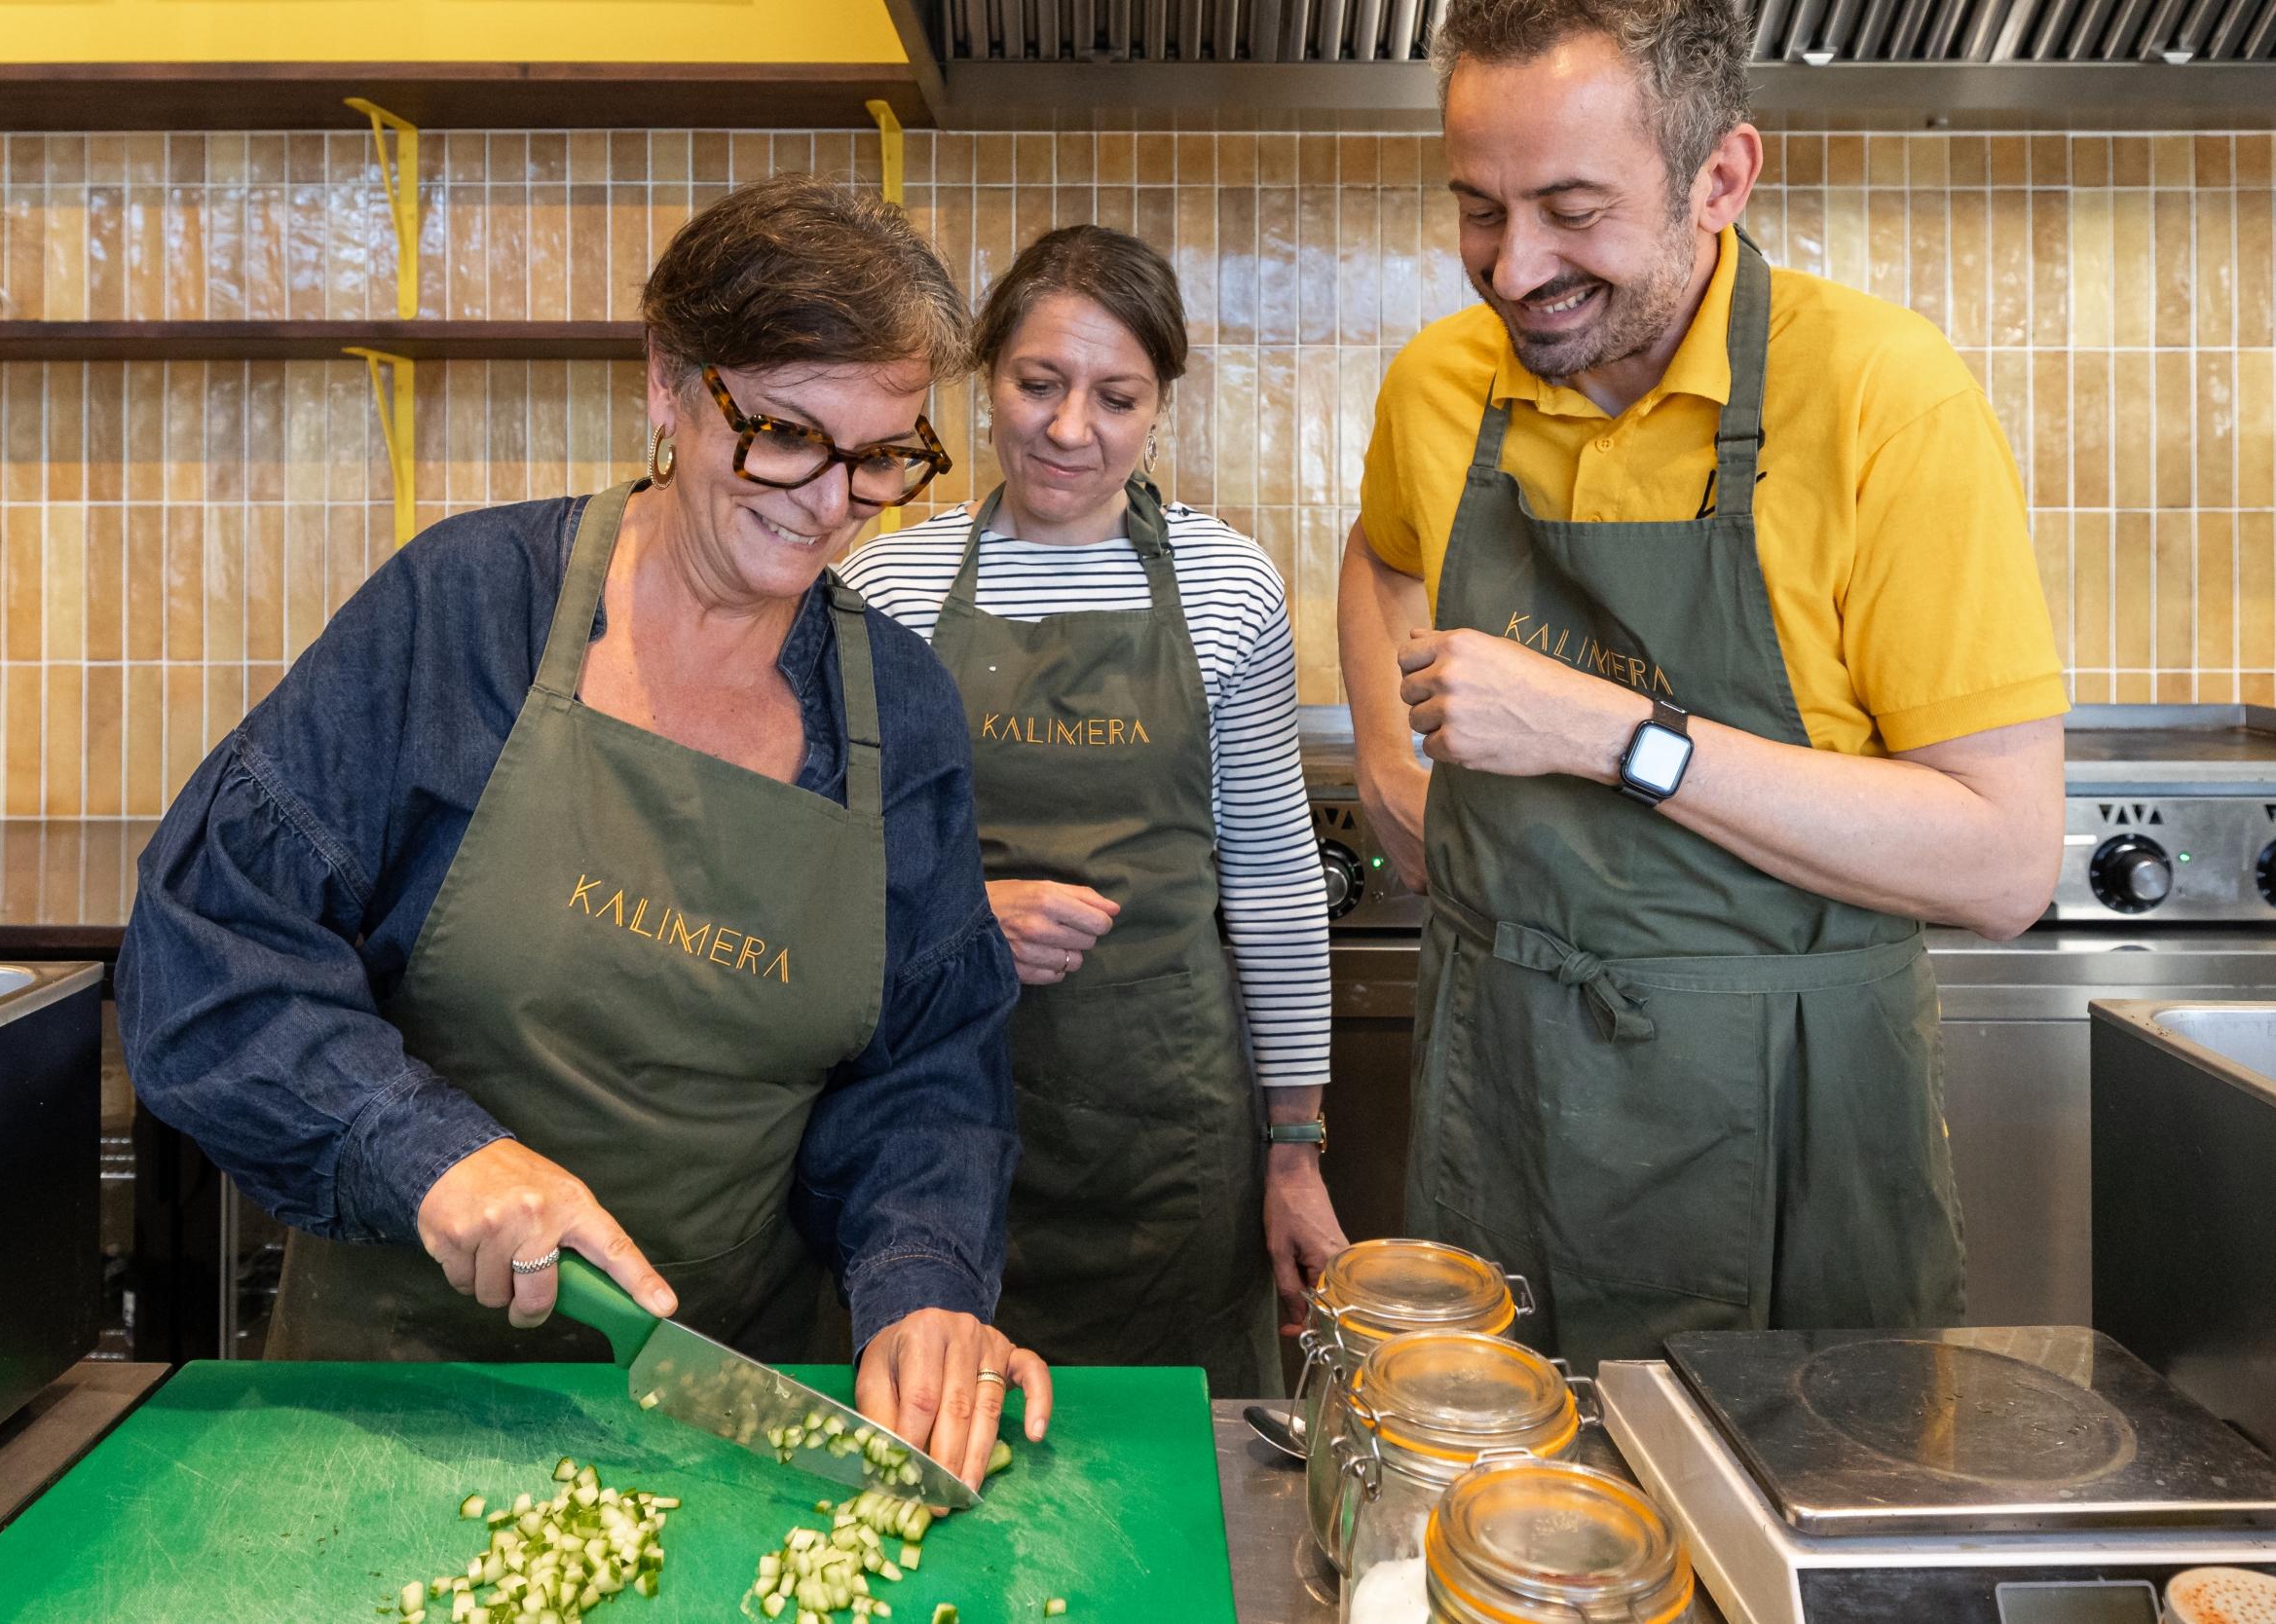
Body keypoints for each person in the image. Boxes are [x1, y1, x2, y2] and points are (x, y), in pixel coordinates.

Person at [117, 174, 1050, 1485]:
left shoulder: (900, 709)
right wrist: (427, 1153)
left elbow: (926, 1074)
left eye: (885, 454)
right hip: (390, 1416)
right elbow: (204, 952)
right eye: (786, 433)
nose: (832, 501)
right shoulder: (460, 618)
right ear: (667, 383)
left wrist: (922, 1281)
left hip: (722, 1427)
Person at [1338, 0, 2069, 1366]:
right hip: (1503, 1096)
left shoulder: (1881, 398)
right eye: (1479, 210)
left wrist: (1610, 732)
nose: (1513, 271)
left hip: (1795, 1124)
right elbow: (1379, 555)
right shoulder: (1440, 385)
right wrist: (1386, 753)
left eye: (1571, 209)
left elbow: (2005, 862)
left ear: (1721, 179)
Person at [841, 226, 1345, 1397]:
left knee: (1182, 1450)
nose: (1071, 431)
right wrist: (962, 915)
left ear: (1159, 403)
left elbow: (1273, 881)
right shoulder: (889, 585)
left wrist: (1296, 1146)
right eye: (1037, 384)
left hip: (1165, 1125)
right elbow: (835, 871)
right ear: (984, 383)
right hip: (937, 1118)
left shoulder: (1228, 586)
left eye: (1116, 396)